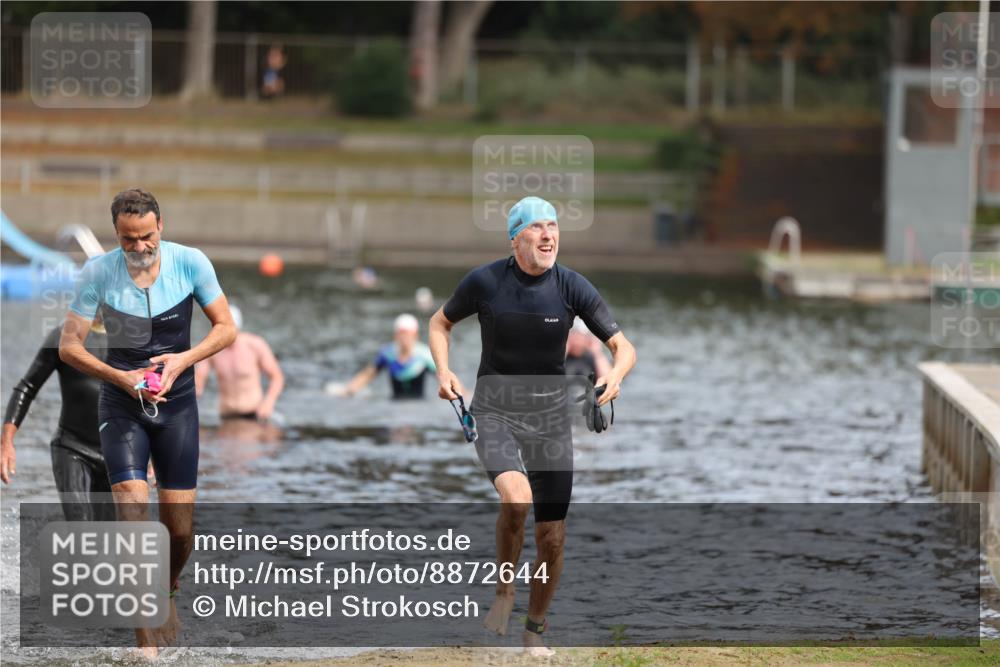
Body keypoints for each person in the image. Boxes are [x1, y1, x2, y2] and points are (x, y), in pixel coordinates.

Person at [429, 196, 637, 655]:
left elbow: (624, 347)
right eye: (537, 227)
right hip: (495, 411)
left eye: (554, 226)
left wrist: (615, 374)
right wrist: (444, 371)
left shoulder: (571, 286)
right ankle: (505, 591)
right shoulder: (485, 281)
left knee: (553, 537)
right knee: (516, 499)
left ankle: (534, 631)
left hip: (550, 419)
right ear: (515, 237)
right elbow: (439, 323)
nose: (549, 235)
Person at [59, 188, 236, 659]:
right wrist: (120, 376)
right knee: (134, 516)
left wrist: (182, 361)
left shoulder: (191, 263)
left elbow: (225, 327)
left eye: (146, 238)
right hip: (122, 407)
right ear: (115, 234)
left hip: (177, 408)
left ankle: (169, 589)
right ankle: (145, 647)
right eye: (127, 240)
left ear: (162, 226)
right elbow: (69, 347)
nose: (138, 249)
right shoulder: (98, 272)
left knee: (179, 533)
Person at [1, 317, 115, 522]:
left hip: (118, 454)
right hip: (73, 448)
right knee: (81, 523)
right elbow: (27, 387)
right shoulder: (64, 336)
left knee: (109, 539)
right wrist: (7, 442)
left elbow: (150, 397)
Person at [195, 304, 284, 422]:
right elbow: (198, 380)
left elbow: (277, 377)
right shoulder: (213, 349)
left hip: (255, 415)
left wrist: (268, 402)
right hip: (227, 416)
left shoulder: (255, 345)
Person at [335, 314, 437, 400]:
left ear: (415, 335)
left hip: (418, 403)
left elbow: (441, 376)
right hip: (395, 403)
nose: (404, 338)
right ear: (396, 335)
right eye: (401, 333)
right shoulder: (388, 354)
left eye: (408, 334)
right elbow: (368, 374)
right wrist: (348, 391)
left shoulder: (425, 355)